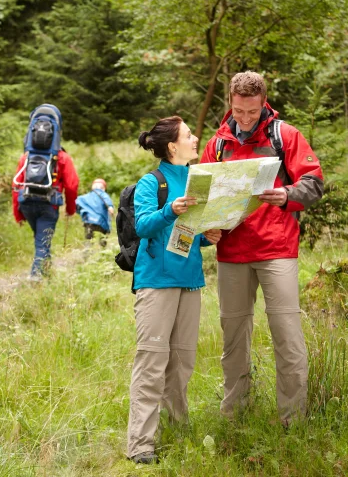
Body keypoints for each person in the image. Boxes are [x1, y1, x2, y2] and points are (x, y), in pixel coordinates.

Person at [200, 71, 324, 426]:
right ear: (230, 102)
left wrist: (286, 195)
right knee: (233, 340)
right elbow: (202, 195)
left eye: (252, 112)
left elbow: (314, 184)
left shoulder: (285, 135)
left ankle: (293, 420)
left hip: (276, 248)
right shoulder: (218, 143)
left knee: (287, 336)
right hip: (232, 252)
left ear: (263, 103)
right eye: (238, 111)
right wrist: (207, 223)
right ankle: (234, 417)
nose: (244, 119)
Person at [127, 116, 222, 464]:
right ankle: (141, 445)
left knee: (182, 364)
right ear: (172, 146)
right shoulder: (151, 182)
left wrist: (209, 237)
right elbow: (143, 225)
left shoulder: (199, 180)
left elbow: (191, 232)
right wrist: (171, 208)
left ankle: (178, 432)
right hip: (156, 283)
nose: (196, 138)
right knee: (152, 363)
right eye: (189, 135)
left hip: (190, 281)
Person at [12, 129, 79, 280]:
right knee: (43, 241)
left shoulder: (26, 157)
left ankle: (47, 272)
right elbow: (71, 185)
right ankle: (36, 276)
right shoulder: (62, 157)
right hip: (49, 204)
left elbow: (16, 187)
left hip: (26, 203)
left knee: (40, 238)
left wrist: (18, 214)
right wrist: (70, 209)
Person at [75, 178, 114, 247]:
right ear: (103, 188)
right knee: (103, 241)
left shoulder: (86, 197)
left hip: (89, 221)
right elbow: (108, 202)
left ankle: (86, 256)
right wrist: (110, 207)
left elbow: (76, 203)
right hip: (102, 223)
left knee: (88, 240)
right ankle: (103, 254)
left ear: (93, 186)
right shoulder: (104, 194)